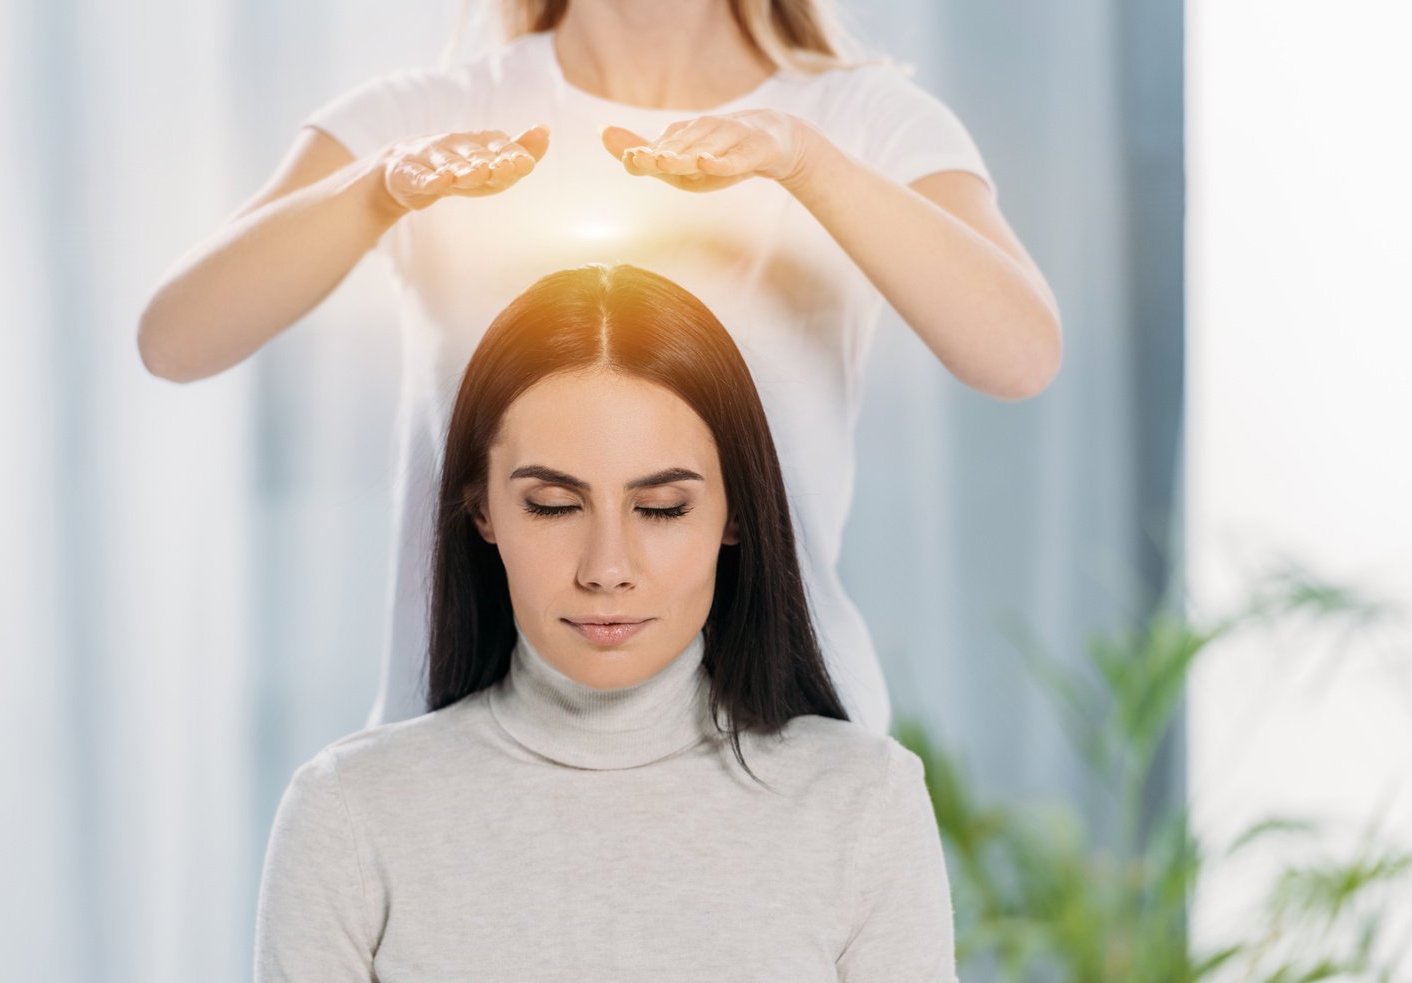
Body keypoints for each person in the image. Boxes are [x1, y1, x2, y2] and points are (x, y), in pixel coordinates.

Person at [138, 0, 1061, 736]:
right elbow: (177, 337)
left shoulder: (861, 122)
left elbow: (1018, 352)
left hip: (774, 759)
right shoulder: (424, 119)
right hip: (461, 764)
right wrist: (378, 190)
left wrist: (806, 167)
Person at [253, 263, 960, 981]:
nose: (606, 568)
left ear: (736, 515)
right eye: (554, 505)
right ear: (482, 511)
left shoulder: (865, 804)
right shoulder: (350, 813)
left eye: (660, 509)